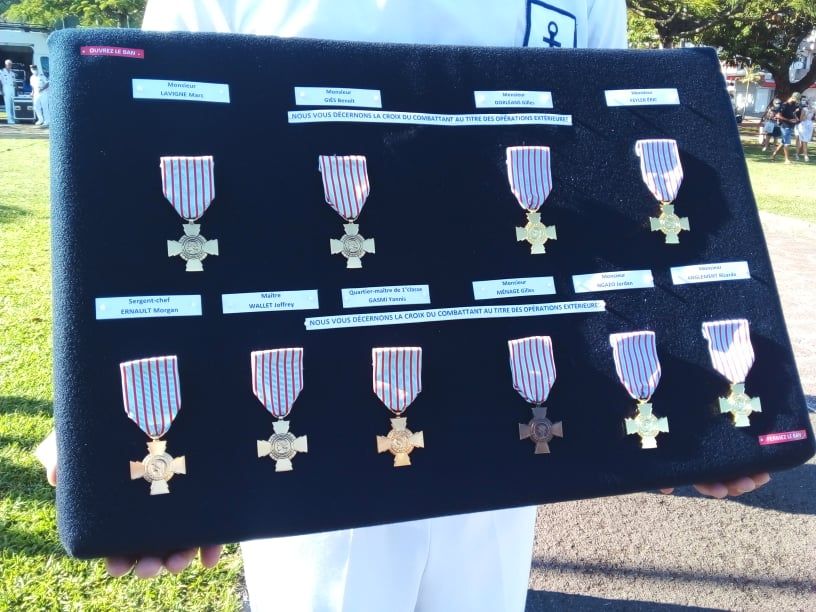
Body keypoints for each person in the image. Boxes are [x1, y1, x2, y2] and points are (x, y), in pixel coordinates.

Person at [41, 2, 771, 610]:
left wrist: (698, 404)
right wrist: (101, 425)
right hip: (311, 430)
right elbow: (147, 161)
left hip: (507, 427)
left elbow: (599, 180)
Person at [770, 92, 801, 164]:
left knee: (783, 142)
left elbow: (793, 113)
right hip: (784, 126)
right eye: (796, 100)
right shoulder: (784, 105)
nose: (796, 102)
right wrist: (788, 120)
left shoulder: (793, 105)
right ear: (792, 98)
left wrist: (795, 118)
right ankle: (786, 160)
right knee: (787, 143)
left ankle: (773, 155)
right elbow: (778, 115)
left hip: (790, 125)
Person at [794, 96, 812, 162]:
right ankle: (797, 154)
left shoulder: (807, 108)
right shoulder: (798, 107)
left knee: (803, 141)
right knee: (797, 139)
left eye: (805, 100)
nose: (804, 101)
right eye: (802, 100)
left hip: (804, 124)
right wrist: (796, 118)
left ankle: (800, 153)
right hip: (798, 124)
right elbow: (794, 114)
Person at [1, 59, 17, 124]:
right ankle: (9, 119)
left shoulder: (12, 73)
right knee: (8, 104)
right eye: (9, 64)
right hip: (6, 88)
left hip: (12, 89)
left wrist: (16, 89)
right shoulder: (1, 72)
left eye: (11, 64)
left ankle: (14, 118)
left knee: (13, 104)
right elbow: (0, 82)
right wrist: (1, 91)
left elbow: (14, 83)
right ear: (6, 64)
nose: (10, 66)